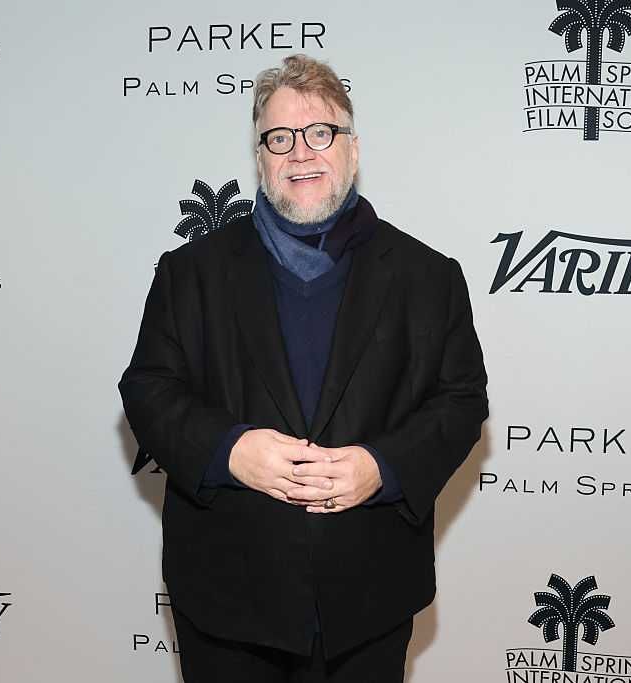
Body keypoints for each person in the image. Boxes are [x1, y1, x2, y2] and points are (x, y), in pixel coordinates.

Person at [119, 54, 488, 682]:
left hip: (369, 597)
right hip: (227, 599)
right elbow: (148, 388)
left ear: (352, 149)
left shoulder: (429, 276)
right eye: (280, 138)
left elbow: (461, 400)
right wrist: (229, 452)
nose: (301, 153)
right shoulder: (190, 273)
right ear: (260, 157)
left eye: (321, 132)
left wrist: (383, 467)